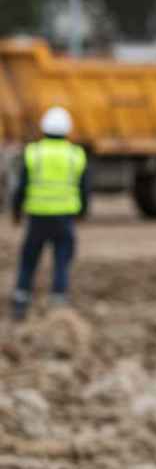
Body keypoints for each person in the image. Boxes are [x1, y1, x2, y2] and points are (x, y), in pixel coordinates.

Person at [9, 106, 90, 321]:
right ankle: (59, 305)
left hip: (37, 217)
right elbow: (84, 188)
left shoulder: (33, 153)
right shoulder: (75, 155)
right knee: (62, 261)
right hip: (64, 218)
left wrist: (16, 212)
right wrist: (82, 212)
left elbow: (22, 187)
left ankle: (20, 303)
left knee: (28, 261)